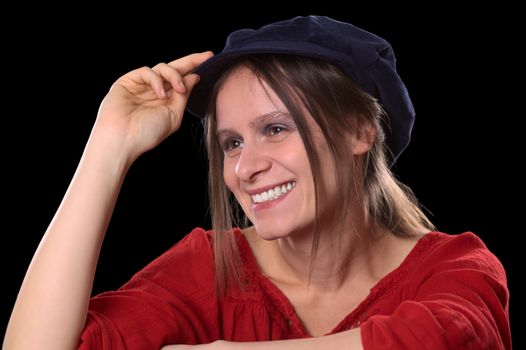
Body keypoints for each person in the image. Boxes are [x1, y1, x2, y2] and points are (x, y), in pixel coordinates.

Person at [4, 15, 511, 350]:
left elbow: (441, 338)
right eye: (231, 143)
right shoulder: (210, 269)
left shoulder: (456, 267)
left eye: (275, 128)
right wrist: (108, 148)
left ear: (361, 130)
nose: (245, 169)